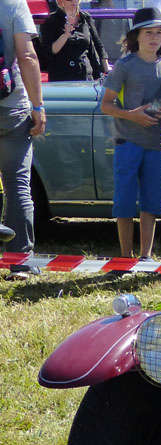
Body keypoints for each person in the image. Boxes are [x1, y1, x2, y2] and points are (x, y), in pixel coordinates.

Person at [100, 8, 161, 260]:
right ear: (136, 36)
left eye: (158, 33)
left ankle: (145, 256)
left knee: (152, 203)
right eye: (148, 33)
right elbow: (106, 105)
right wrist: (132, 115)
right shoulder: (124, 66)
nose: (154, 38)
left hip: (157, 144)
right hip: (128, 143)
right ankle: (125, 256)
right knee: (124, 202)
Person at [0, 0, 45, 281]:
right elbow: (27, 55)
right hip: (11, 105)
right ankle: (20, 261)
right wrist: (38, 107)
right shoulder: (13, 3)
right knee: (17, 181)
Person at [38, 0, 108, 81]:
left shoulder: (85, 18)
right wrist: (65, 35)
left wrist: (106, 70)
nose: (74, 1)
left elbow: (98, 45)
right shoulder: (51, 21)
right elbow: (49, 51)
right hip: (62, 77)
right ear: (60, 2)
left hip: (86, 75)